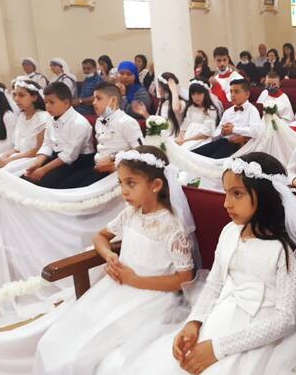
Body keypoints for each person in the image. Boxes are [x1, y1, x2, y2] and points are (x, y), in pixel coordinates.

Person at [130, 152, 296, 375]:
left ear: (265, 195)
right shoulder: (230, 231)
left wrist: (218, 348)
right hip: (224, 316)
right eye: (226, 192)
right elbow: (215, 284)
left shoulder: (287, 249)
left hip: (267, 334)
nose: (226, 203)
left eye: (237, 194)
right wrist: (194, 322)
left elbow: (286, 319)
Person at [34, 146, 196, 374]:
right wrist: (109, 254)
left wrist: (135, 280)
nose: (124, 191)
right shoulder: (130, 214)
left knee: (89, 351)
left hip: (151, 297)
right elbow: (100, 236)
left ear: (156, 185)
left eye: (131, 183)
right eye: (121, 183)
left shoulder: (171, 227)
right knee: (58, 340)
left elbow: (184, 278)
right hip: (117, 287)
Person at [61, 82, 144, 188]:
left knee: (78, 192)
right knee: (65, 185)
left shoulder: (127, 122)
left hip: (116, 171)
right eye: (94, 99)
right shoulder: (99, 121)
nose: (94, 103)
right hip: (98, 167)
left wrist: (113, 161)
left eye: (98, 99)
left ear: (113, 100)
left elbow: (141, 151)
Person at [23, 82, 95, 188]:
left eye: (51, 102)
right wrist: (37, 163)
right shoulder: (51, 119)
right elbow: (47, 144)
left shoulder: (79, 123)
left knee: (44, 185)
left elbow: (69, 156)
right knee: (25, 179)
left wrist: (43, 169)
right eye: (45, 102)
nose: (47, 106)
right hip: (57, 158)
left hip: (78, 162)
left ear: (66, 103)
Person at [193, 79, 261, 159]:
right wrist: (222, 132)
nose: (232, 95)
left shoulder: (252, 110)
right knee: (195, 153)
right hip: (223, 141)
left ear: (247, 94)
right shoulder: (228, 112)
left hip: (239, 146)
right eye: (231, 91)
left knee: (211, 161)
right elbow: (216, 132)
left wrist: (234, 129)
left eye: (236, 92)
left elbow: (255, 131)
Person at [0, 79, 50, 172]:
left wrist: (9, 160)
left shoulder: (43, 117)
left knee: (3, 172)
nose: (16, 99)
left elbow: (37, 150)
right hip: (19, 156)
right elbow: (17, 148)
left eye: (21, 95)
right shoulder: (22, 116)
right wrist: (5, 156)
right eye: (15, 95)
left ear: (34, 97)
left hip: (32, 159)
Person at [133, 72, 186, 138]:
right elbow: (157, 122)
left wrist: (174, 90)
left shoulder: (181, 102)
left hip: (174, 138)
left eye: (160, 87)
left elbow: (176, 109)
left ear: (166, 89)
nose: (158, 89)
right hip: (163, 136)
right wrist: (145, 113)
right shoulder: (163, 103)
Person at [177, 80, 221, 150]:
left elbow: (206, 133)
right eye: (193, 94)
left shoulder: (211, 110)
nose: (196, 97)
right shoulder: (191, 108)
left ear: (205, 93)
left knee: (185, 150)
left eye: (199, 93)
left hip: (200, 139)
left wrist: (186, 140)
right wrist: (180, 137)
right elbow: (185, 124)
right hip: (187, 136)